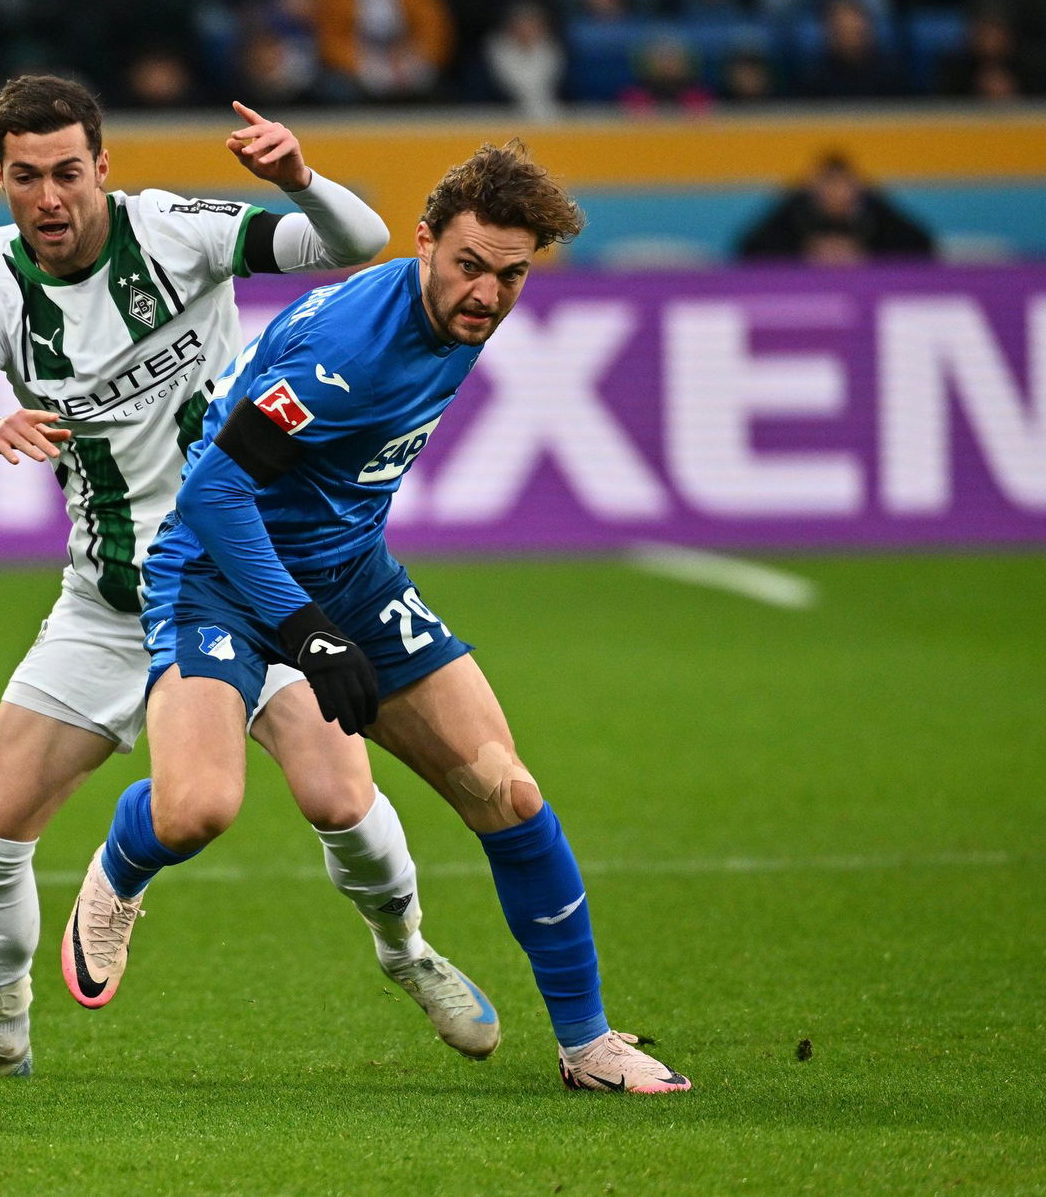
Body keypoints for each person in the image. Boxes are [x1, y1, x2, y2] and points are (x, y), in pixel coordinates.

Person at [61, 139, 693, 1094]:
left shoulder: (456, 320)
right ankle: (120, 863)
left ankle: (589, 1044)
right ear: (426, 240)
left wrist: (330, 607)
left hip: (352, 575)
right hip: (217, 573)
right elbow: (218, 490)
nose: (486, 294)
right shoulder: (353, 346)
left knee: (505, 791)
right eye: (470, 266)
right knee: (198, 808)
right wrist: (304, 629)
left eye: (511, 276)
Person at [0, 74, 502, 1079]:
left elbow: (354, 242)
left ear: (102, 167)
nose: (47, 198)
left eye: (65, 173)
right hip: (105, 604)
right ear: (0, 177)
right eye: (24, 177)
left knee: (340, 800)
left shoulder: (175, 230)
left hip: (237, 578)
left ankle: (406, 952)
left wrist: (302, 178)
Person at [737, 151, 934, 264]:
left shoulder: (872, 208)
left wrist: (864, 251)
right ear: (814, 187)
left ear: (856, 186)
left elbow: (923, 242)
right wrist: (805, 251)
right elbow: (747, 247)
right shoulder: (795, 207)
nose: (836, 193)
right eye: (829, 184)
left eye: (843, 185)